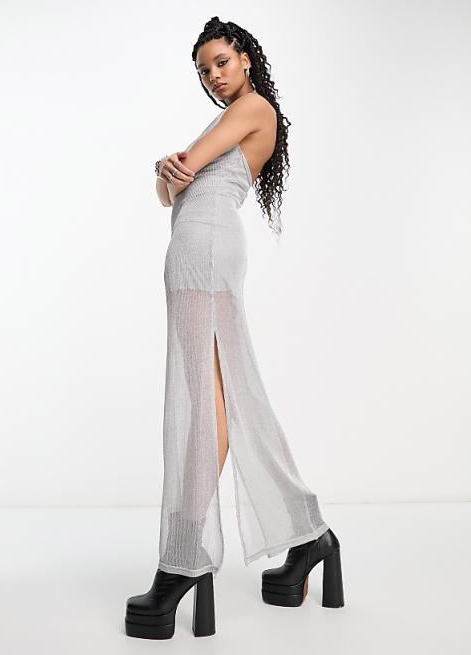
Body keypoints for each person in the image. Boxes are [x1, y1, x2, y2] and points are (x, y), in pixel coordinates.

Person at [125, 17, 344, 640]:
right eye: (204, 70)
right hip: (202, 246)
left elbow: (181, 172)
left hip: (205, 249)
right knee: (224, 398)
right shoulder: (233, 116)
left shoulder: (254, 108)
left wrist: (168, 166)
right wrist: (167, 173)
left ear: (245, 58)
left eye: (221, 62)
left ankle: (184, 552)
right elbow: (167, 192)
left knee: (205, 403)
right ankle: (308, 535)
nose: (213, 76)